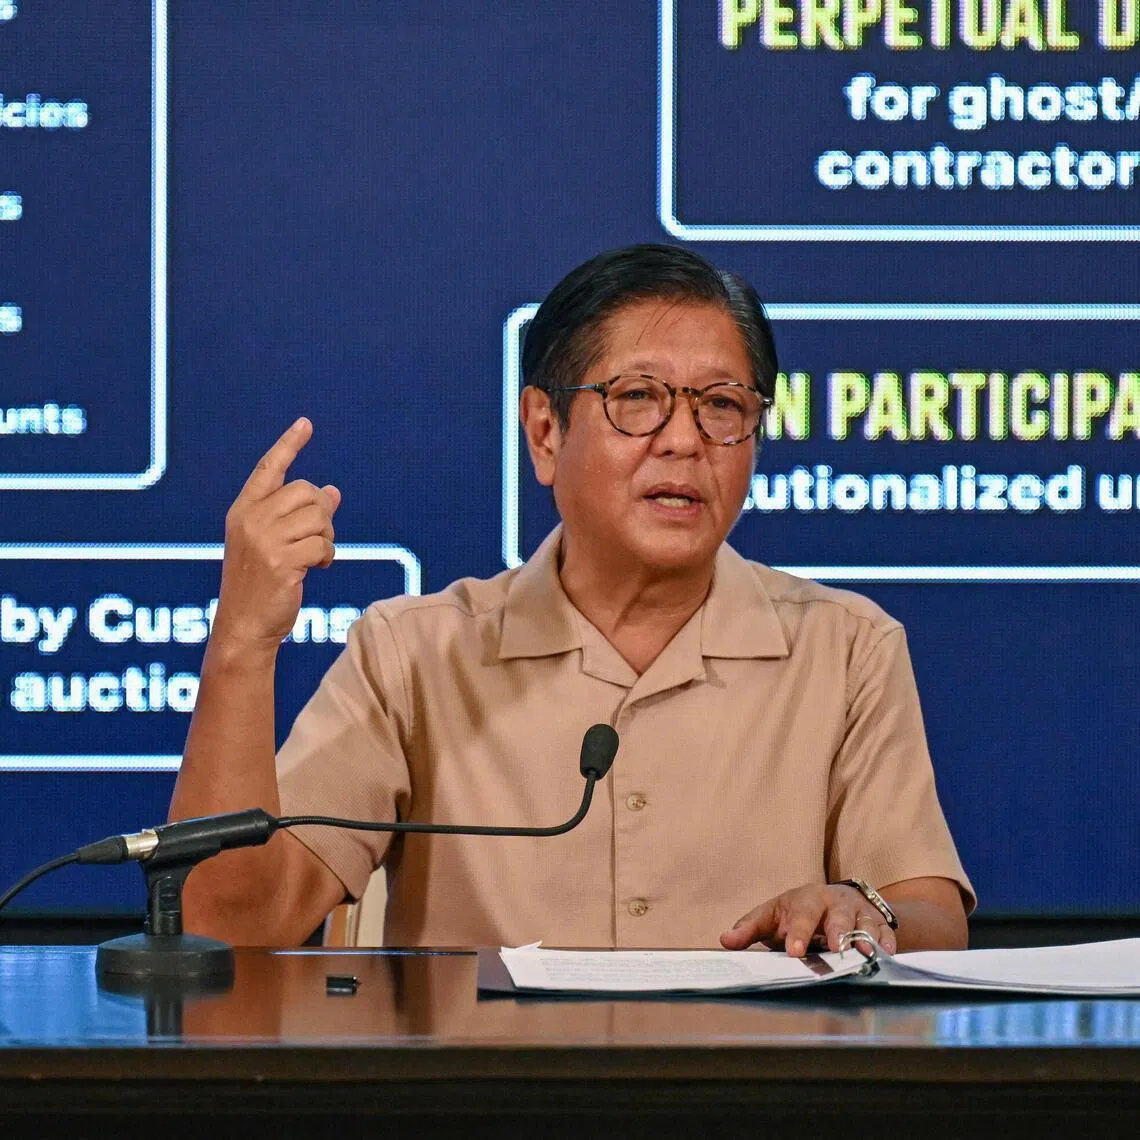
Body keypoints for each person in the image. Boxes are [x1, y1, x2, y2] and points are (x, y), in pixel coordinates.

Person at [174, 244, 972, 953]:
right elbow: (231, 926)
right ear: (544, 432)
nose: (685, 440)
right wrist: (243, 640)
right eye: (638, 398)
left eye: (723, 406)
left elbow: (934, 919)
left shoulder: (848, 650)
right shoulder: (413, 656)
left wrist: (863, 914)